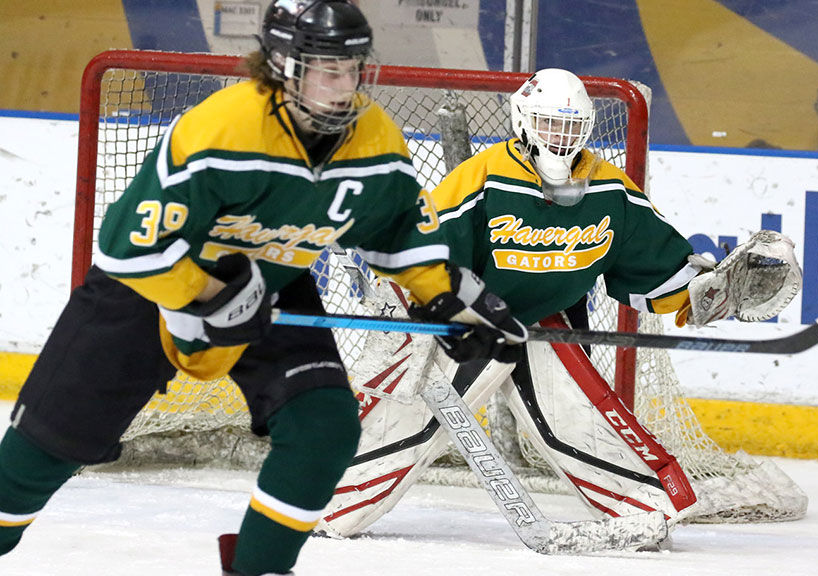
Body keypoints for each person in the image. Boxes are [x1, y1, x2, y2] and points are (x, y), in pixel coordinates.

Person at [0, 2, 524, 575]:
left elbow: (400, 230)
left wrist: (446, 299)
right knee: (45, 450)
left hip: (272, 283)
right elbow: (129, 246)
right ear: (281, 66)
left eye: (351, 68)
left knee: (323, 430)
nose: (343, 85)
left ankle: (259, 567)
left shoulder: (374, 138)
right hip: (147, 286)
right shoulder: (220, 129)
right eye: (327, 69)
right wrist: (209, 297)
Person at [318, 69, 802, 539]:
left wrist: (710, 293)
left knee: (576, 419)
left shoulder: (609, 189)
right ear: (524, 120)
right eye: (550, 122)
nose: (560, 135)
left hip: (549, 320)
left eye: (571, 125)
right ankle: (321, 504)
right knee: (407, 422)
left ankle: (650, 508)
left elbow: (657, 269)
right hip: (470, 318)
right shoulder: (483, 178)